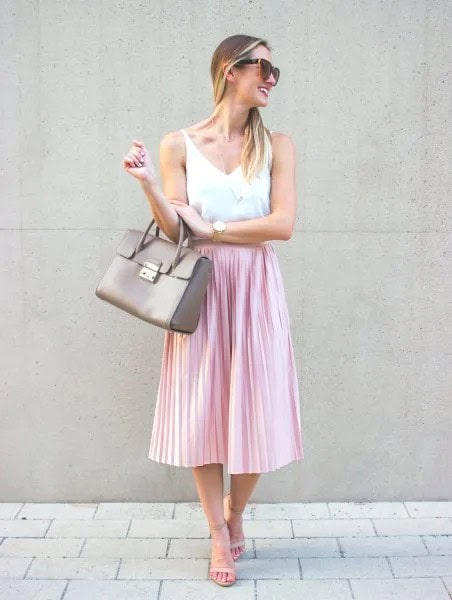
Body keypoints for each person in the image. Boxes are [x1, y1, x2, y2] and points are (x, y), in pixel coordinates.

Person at [123, 33, 304, 588]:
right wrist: (151, 186)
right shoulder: (178, 143)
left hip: (255, 288)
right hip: (199, 287)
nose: (271, 78)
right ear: (231, 69)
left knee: (256, 410)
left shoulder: (277, 144)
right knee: (204, 411)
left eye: (276, 71)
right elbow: (178, 226)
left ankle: (236, 511)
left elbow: (283, 225)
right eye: (263, 68)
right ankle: (217, 531)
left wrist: (219, 228)